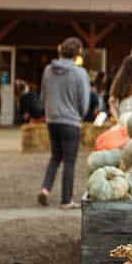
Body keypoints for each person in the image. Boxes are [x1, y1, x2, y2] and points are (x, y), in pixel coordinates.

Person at [39, 37, 91, 208]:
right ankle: (66, 200)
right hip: (71, 121)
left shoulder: (48, 70)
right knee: (69, 160)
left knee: (55, 157)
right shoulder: (79, 73)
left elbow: (42, 96)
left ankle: (45, 189)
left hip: (52, 120)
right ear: (78, 53)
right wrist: (81, 114)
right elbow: (84, 101)